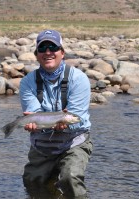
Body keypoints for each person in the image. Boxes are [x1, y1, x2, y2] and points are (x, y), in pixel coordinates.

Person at [19, 30, 93, 199]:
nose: (48, 52)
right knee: (32, 182)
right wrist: (33, 125)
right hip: (42, 143)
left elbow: (76, 117)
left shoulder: (79, 79)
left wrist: (66, 123)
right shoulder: (27, 82)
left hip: (74, 142)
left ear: (62, 52)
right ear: (36, 54)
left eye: (53, 47)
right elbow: (35, 114)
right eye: (42, 48)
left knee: (70, 178)